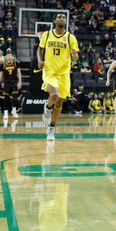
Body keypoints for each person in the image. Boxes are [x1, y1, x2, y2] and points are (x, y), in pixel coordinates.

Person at [36, 13, 79, 141]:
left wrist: (74, 55)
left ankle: (51, 128)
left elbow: (76, 57)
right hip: (50, 71)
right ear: (55, 20)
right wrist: (39, 60)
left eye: (63, 18)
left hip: (64, 74)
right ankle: (47, 109)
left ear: (65, 21)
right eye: (59, 17)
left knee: (60, 102)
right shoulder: (47, 34)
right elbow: (40, 49)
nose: (61, 19)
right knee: (54, 95)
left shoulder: (71, 37)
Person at [0, 49, 22, 119]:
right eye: (8, 55)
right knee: (6, 98)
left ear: (12, 56)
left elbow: (19, 73)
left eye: (10, 55)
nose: (9, 57)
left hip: (14, 82)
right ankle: (6, 113)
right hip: (6, 83)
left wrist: (20, 82)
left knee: (15, 96)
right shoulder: (3, 65)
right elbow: (1, 75)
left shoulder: (16, 63)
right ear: (6, 57)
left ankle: (14, 111)